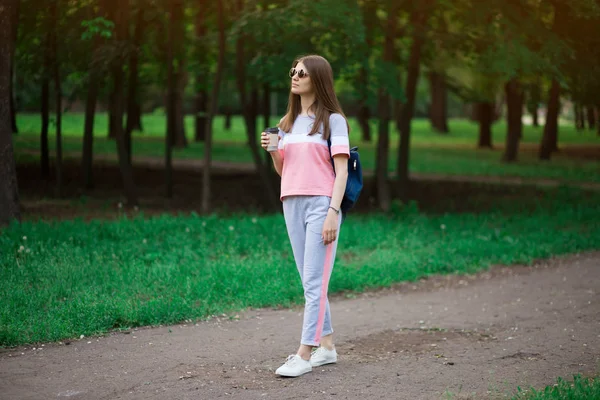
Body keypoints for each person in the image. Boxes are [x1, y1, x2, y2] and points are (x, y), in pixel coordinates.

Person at [260, 54, 350, 378]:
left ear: (318, 79)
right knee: (309, 281)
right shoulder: (288, 123)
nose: (294, 77)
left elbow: (341, 172)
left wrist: (332, 213)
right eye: (292, 71)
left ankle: (303, 353)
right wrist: (274, 149)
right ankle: (327, 347)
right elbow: (284, 169)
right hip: (291, 203)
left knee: (314, 281)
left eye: (302, 73)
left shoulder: (333, 121)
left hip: (321, 204)